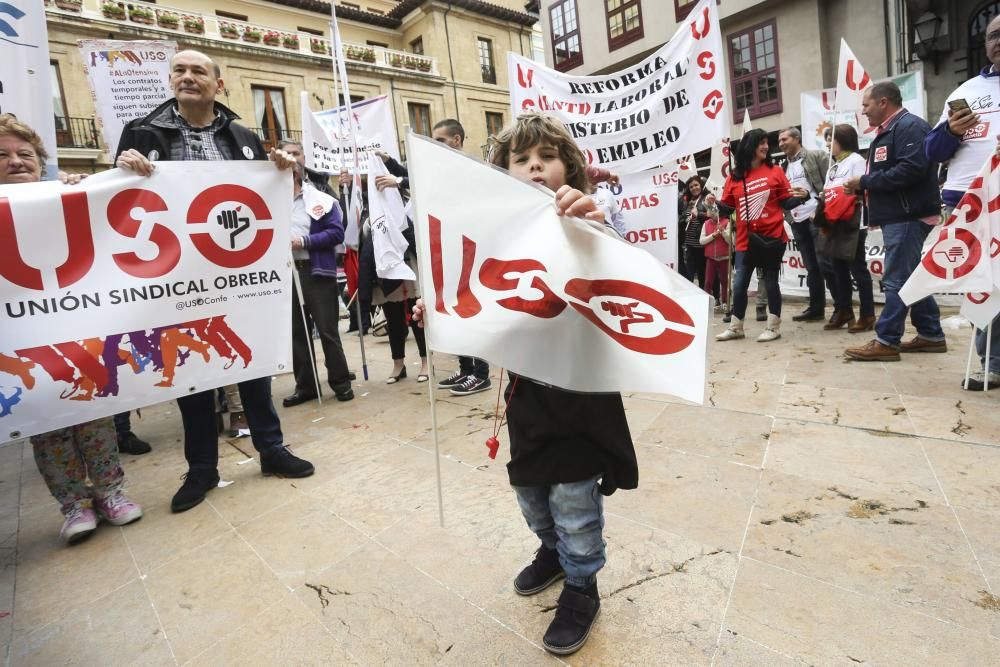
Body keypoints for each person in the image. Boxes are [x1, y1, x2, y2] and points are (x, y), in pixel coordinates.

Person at [415, 113, 637, 656]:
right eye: (520, 158)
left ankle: (582, 583)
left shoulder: (589, 219)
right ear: (504, 172)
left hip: (581, 395)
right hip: (527, 396)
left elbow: (619, 274)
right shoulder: (497, 238)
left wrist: (594, 222)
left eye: (546, 156)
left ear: (570, 169)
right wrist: (442, 313)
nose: (533, 164)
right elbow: (479, 301)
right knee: (533, 494)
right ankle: (552, 552)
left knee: (574, 501)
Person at [115, 49, 317, 512]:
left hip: (236, 276)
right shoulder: (142, 132)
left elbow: (260, 198)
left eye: (198, 71)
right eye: (180, 71)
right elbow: (120, 202)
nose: (188, 77)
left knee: (252, 364)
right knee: (192, 372)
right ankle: (202, 467)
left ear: (217, 84)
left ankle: (271, 449)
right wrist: (123, 169)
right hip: (178, 277)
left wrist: (281, 168)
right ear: (170, 80)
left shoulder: (243, 136)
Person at [0, 114, 143, 543]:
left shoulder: (65, 194)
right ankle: (74, 505)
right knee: (46, 426)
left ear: (39, 160)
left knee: (92, 415)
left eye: (24, 154)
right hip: (20, 343)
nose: (15, 162)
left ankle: (110, 494)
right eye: (3, 155)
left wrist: (88, 190)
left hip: (77, 332)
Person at [844, 81, 945, 361]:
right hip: (900, 214)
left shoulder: (909, 126)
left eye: (866, 105)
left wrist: (864, 181)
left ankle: (887, 340)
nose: (863, 111)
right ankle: (931, 334)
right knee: (910, 276)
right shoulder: (890, 130)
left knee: (897, 278)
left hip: (908, 215)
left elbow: (912, 169)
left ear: (883, 102)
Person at [924, 16, 1000, 388]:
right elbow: (933, 151)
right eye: (993, 35)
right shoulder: (967, 90)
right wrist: (951, 131)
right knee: (983, 286)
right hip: (969, 203)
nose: (998, 41)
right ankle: (993, 362)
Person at [277, 139, 356, 407]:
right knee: (298, 334)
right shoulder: (268, 200)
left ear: (302, 159)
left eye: (295, 154)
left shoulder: (321, 198)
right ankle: (306, 386)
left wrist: (304, 242)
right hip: (286, 275)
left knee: (328, 330)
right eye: (285, 154)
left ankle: (340, 382)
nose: (290, 158)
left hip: (316, 272)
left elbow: (336, 232)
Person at [716, 129, 802, 343]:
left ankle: (773, 327)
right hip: (745, 241)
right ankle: (736, 327)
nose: (766, 146)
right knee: (739, 284)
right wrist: (715, 204)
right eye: (760, 143)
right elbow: (727, 209)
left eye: (766, 143)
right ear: (749, 146)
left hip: (773, 238)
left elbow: (785, 201)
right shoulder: (734, 178)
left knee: (771, 282)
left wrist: (803, 197)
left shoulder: (775, 172)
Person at [430, 118, 492, 395]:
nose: (436, 146)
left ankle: (481, 374)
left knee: (471, 313)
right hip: (451, 252)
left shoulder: (470, 169)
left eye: (440, 140)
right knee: (454, 311)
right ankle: (466, 369)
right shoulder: (442, 171)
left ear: (456, 140)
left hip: (471, 253)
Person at [815, 124, 876, 331]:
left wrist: (843, 193)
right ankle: (844, 310)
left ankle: (867, 315)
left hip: (852, 221)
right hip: (834, 221)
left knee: (858, 268)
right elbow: (829, 190)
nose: (828, 144)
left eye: (831, 139)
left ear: (843, 140)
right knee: (837, 268)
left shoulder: (857, 161)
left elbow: (861, 188)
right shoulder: (834, 166)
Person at [778, 127, 830, 322]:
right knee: (811, 267)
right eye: (779, 141)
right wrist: (789, 217)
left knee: (826, 264)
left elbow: (831, 184)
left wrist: (820, 209)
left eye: (784, 139)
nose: (781, 143)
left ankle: (843, 309)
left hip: (817, 219)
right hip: (797, 222)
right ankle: (816, 309)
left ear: (797, 138)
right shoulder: (782, 168)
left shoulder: (817, 156)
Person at [699, 192, 730, 314]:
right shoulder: (706, 224)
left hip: (724, 257)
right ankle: (707, 303)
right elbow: (701, 241)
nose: (711, 212)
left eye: (713, 210)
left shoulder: (726, 222)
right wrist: (713, 235)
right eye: (709, 210)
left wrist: (722, 231)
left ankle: (725, 302)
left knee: (725, 281)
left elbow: (730, 241)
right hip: (711, 257)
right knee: (708, 281)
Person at [682, 176, 711, 290]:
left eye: (696, 185)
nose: (694, 188)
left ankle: (704, 297)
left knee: (702, 274)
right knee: (689, 275)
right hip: (689, 245)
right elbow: (684, 217)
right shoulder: (687, 202)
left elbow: (712, 216)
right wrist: (685, 218)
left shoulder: (707, 199)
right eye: (691, 187)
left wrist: (698, 214)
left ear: (701, 185)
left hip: (702, 244)